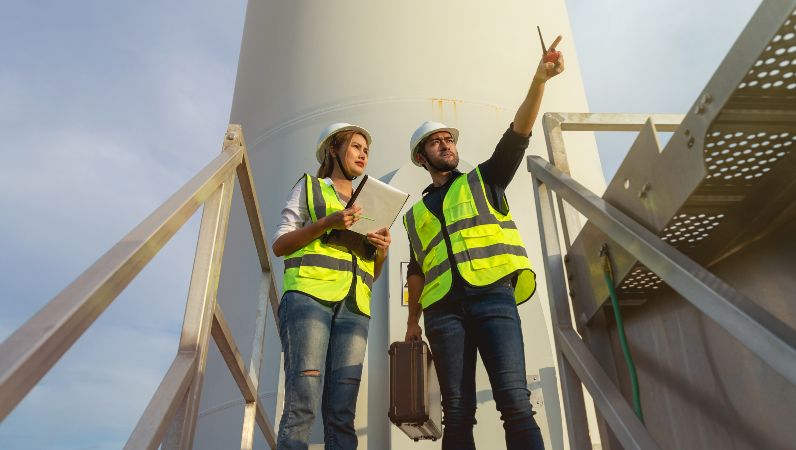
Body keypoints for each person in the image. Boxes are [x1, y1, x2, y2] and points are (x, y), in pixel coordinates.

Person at [403, 37, 565, 450]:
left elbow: (519, 133)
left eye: (449, 139)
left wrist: (539, 81)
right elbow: (418, 270)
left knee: (515, 402)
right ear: (421, 158)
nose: (446, 144)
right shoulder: (414, 215)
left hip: (493, 297)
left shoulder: (484, 179)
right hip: (442, 313)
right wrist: (411, 325)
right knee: (456, 412)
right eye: (436, 142)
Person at [272, 122, 391, 449]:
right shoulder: (309, 188)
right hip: (309, 298)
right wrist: (327, 222)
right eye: (356, 146)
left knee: (342, 413)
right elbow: (280, 244)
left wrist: (381, 252)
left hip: (355, 307)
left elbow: (373, 272)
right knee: (302, 404)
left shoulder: (370, 204)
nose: (363, 154)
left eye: (366, 150)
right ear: (333, 150)